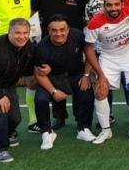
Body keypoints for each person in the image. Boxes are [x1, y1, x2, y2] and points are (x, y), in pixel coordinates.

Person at [0, 18, 48, 163]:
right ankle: (0, 149)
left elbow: (34, 61)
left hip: (6, 83)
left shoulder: (28, 46)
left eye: (25, 33)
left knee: (15, 117)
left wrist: (45, 67)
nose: (22, 36)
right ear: (9, 32)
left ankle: (9, 133)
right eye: (17, 33)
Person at [32, 0, 89, 130]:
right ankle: (59, 116)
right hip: (50, 46)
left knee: (76, 79)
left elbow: (86, 19)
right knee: (54, 78)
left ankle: (81, 120)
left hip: (74, 45)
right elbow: (29, 14)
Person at [84, 0, 129, 144]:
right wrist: (99, 74)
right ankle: (106, 131)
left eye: (116, 4)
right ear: (104, 6)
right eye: (109, 5)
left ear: (122, 5)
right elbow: (88, 49)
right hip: (108, 58)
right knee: (100, 91)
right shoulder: (95, 22)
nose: (113, 8)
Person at [33, 15, 95, 149]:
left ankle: (83, 128)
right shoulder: (42, 47)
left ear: (68, 30)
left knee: (87, 94)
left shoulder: (78, 35)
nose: (58, 33)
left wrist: (86, 75)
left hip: (75, 75)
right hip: (53, 79)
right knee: (40, 99)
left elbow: (89, 53)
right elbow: (39, 74)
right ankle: (46, 132)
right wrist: (53, 91)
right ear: (48, 31)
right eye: (54, 30)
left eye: (62, 29)